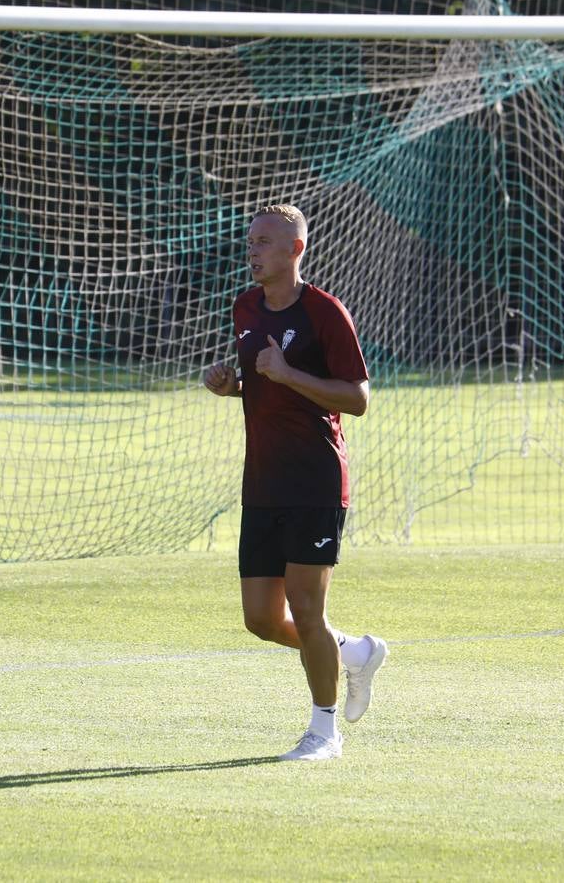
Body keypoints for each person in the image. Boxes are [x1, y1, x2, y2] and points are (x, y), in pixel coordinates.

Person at [203, 204, 388, 761]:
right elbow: (264, 388)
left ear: (294, 250)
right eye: (251, 240)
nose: (252, 250)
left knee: (307, 611)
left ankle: (324, 732)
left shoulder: (325, 312)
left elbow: (357, 398)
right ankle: (352, 653)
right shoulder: (245, 307)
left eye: (264, 241)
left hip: (315, 481)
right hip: (262, 483)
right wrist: (230, 386)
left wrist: (286, 372)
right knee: (261, 619)